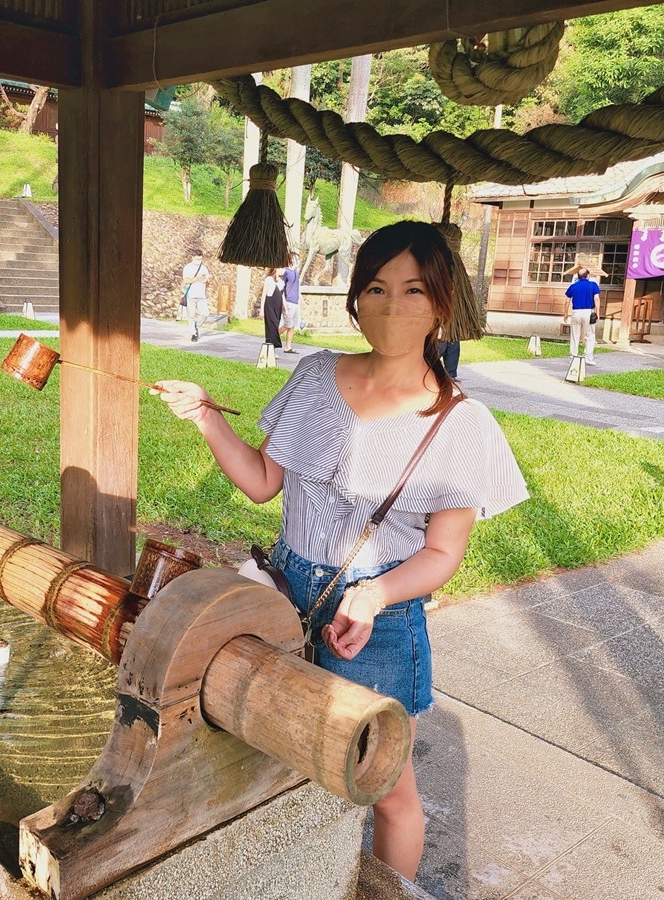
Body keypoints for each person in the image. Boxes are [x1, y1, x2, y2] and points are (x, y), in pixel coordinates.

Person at [152, 221, 528, 880]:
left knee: (387, 790)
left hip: (376, 622)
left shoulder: (462, 424)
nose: (392, 306)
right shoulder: (316, 376)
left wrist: (377, 592)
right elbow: (265, 483)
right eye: (377, 287)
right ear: (356, 297)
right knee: (275, 755)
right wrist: (207, 416)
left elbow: (443, 554)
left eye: (414, 290)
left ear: (441, 303)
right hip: (284, 594)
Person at [563, 267, 599, 365]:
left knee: (575, 335)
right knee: (590, 336)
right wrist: (597, 312)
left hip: (576, 312)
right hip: (589, 311)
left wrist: (566, 313)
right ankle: (588, 357)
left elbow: (567, 300)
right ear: (588, 275)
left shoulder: (573, 286)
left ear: (578, 277)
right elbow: (596, 299)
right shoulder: (593, 285)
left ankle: (573, 356)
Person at [181, 250, 211, 342]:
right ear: (192, 258)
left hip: (201, 295)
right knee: (191, 315)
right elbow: (186, 280)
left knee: (205, 313)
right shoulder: (187, 267)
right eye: (197, 259)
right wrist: (196, 278)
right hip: (191, 294)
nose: (199, 260)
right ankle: (193, 334)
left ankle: (196, 326)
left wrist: (204, 279)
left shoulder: (204, 268)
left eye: (200, 259)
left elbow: (207, 280)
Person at [281, 251, 301, 353]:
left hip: (295, 302)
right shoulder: (286, 272)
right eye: (295, 259)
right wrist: (283, 302)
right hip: (288, 302)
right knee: (287, 325)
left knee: (292, 326)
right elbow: (281, 288)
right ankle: (271, 339)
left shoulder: (296, 272)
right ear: (290, 259)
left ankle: (288, 347)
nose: (298, 261)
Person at [262, 266, 286, 349]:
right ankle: (269, 348)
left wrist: (285, 309)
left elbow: (282, 297)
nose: (283, 270)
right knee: (270, 327)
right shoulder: (268, 280)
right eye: (281, 268)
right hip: (269, 306)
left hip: (277, 307)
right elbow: (264, 295)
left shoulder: (281, 282)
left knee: (275, 326)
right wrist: (261, 310)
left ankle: (272, 349)